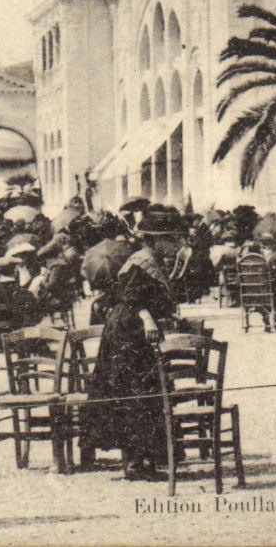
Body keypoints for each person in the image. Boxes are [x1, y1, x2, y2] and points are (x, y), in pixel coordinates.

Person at [86, 205, 183, 481]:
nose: (175, 244)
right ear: (154, 238)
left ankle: (142, 459)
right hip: (127, 333)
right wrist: (148, 318)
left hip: (134, 333)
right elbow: (130, 296)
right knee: (133, 393)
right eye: (170, 238)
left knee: (143, 394)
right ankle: (134, 462)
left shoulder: (151, 260)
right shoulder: (142, 261)